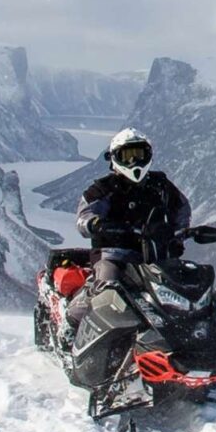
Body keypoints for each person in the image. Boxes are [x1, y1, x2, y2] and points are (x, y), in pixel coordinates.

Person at [65, 128, 191, 337]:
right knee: (107, 283)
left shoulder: (160, 185)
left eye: (139, 155)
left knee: (181, 287)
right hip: (113, 253)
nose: (134, 162)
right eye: (127, 155)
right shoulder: (103, 188)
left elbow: (182, 209)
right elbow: (83, 217)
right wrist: (95, 224)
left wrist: (180, 232)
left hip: (155, 254)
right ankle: (71, 323)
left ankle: (178, 339)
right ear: (114, 158)